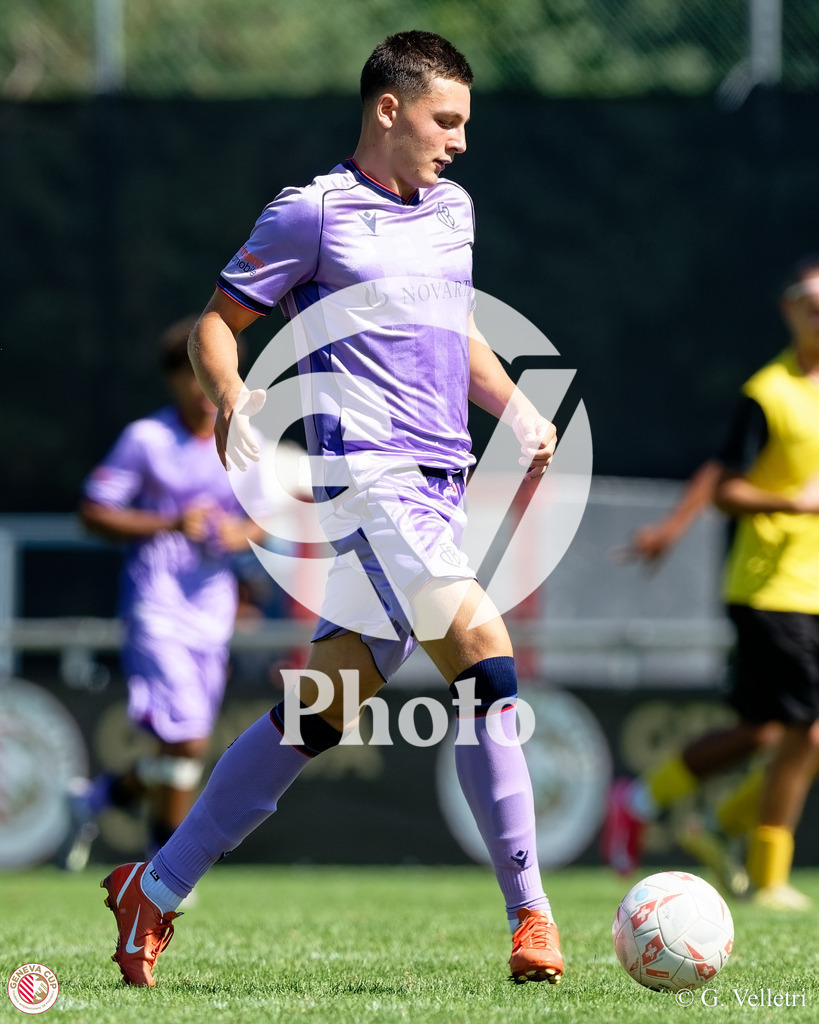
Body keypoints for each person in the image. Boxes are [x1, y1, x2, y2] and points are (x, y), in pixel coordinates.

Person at [99, 32, 564, 988]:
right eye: (445, 120)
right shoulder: (312, 212)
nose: (460, 142)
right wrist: (231, 396)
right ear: (388, 110)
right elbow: (216, 324)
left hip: (438, 484)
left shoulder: (453, 209)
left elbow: (453, 326)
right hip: (367, 483)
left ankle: (156, 884)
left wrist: (514, 405)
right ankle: (531, 915)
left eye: (464, 123)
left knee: (319, 711)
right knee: (485, 659)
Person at [603, 255, 819, 910]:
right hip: (773, 588)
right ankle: (765, 874)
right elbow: (725, 482)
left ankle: (662, 806)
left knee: (763, 732)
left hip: (810, 588)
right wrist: (791, 504)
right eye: (811, 305)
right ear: (788, 311)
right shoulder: (768, 393)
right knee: (804, 732)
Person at [63, 318, 266, 871]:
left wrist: (242, 532)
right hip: (155, 606)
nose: (205, 389)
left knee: (180, 745)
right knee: (190, 737)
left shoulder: (243, 440)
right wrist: (170, 523)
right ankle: (166, 867)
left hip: (212, 611)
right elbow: (94, 512)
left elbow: (263, 517)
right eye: (194, 375)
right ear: (175, 378)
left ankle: (94, 801)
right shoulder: (146, 439)